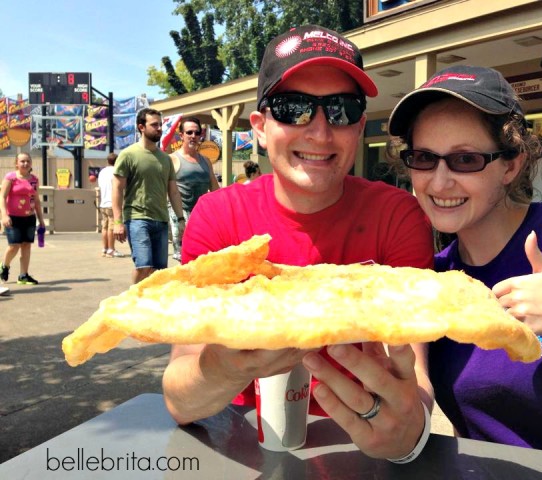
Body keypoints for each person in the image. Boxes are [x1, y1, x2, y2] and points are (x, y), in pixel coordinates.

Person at [162, 24, 435, 461]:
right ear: (260, 127)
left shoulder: (397, 215)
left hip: (362, 451)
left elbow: (415, 372)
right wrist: (227, 366)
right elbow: (180, 401)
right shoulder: (219, 217)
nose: (321, 132)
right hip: (245, 451)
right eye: (293, 108)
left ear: (360, 127)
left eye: (342, 110)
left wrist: (410, 431)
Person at [381, 65, 542, 461]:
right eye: (424, 158)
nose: (439, 181)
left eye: (465, 159)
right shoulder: (434, 283)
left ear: (511, 164)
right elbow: (419, 398)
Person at [112, 107, 186, 284]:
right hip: (137, 219)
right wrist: (117, 222)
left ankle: (151, 306)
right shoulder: (128, 155)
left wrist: (181, 219)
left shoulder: (166, 159)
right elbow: (117, 189)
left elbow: (173, 192)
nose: (159, 128)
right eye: (154, 125)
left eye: (160, 125)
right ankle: (133, 301)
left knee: (159, 272)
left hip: (161, 220)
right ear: (141, 127)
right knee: (144, 265)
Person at [168, 116, 220, 262]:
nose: (193, 136)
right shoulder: (172, 159)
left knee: (202, 258)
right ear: (181, 135)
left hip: (201, 216)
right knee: (184, 259)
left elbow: (215, 189)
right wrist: (179, 219)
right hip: (179, 215)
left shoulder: (206, 161)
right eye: (189, 132)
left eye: (197, 133)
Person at [0, 152, 45, 285]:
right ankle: (5, 266)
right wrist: (4, 215)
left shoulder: (34, 179)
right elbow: (2, 197)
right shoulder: (11, 177)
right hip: (13, 218)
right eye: (22, 161)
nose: (25, 163)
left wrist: (41, 220)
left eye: (28, 161)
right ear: (16, 163)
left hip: (29, 217)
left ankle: (23, 275)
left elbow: (36, 200)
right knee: (14, 246)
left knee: (26, 246)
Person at [98, 152, 125, 258]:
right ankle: (111, 249)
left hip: (103, 203)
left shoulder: (102, 172)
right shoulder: (116, 171)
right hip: (112, 203)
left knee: (104, 227)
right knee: (112, 227)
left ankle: (104, 249)